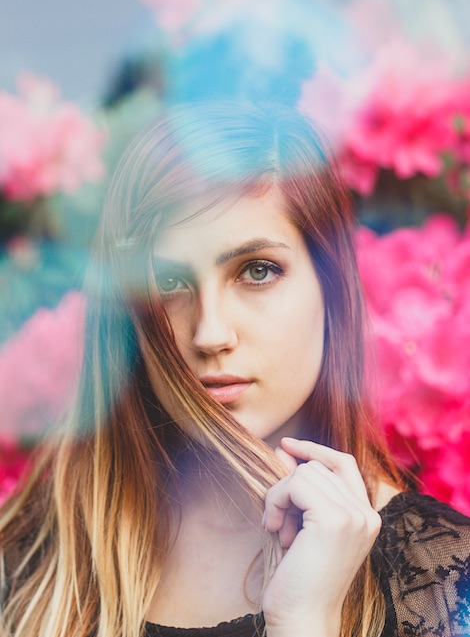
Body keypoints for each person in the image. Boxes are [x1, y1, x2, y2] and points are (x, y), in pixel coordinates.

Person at [1, 102, 469, 637]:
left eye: (257, 270)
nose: (210, 334)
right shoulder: (33, 561)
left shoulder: (441, 581)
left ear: (332, 288)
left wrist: (303, 623)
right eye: (169, 285)